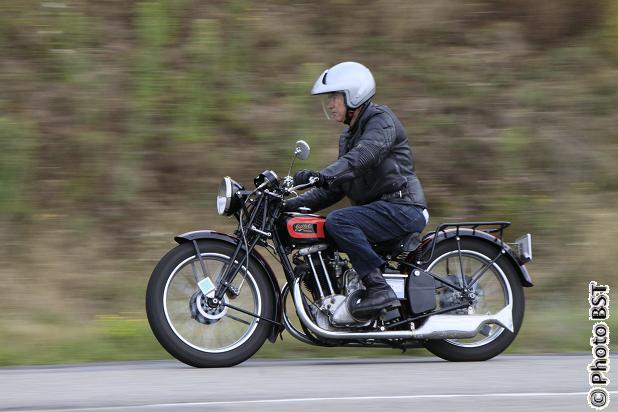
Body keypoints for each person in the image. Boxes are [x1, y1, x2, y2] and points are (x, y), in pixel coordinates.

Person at [284, 61, 429, 319]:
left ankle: (379, 290)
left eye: (334, 97)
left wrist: (322, 174)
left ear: (354, 94)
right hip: (381, 210)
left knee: (339, 221)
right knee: (323, 227)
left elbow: (364, 157)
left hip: (403, 206)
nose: (330, 104)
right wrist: (287, 204)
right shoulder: (348, 136)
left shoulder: (381, 121)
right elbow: (335, 189)